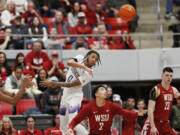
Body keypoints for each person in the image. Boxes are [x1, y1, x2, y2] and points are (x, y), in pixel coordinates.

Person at [40, 50, 101, 134]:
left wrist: (52, 83)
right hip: (65, 94)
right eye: (93, 57)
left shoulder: (89, 74)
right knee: (63, 126)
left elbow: (70, 84)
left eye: (96, 59)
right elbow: (69, 63)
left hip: (75, 96)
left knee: (73, 122)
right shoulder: (79, 58)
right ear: (87, 56)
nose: (94, 60)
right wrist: (84, 67)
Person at [66, 85, 143, 135]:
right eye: (102, 89)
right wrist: (70, 128)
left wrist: (138, 113)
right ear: (96, 94)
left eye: (106, 90)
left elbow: (125, 113)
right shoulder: (89, 107)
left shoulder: (112, 106)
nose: (105, 91)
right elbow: (76, 120)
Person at [141, 67, 180, 135]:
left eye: (171, 76)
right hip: (154, 122)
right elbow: (150, 109)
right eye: (167, 75)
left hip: (165, 124)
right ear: (162, 76)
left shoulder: (173, 90)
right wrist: (153, 126)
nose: (169, 78)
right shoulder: (156, 90)